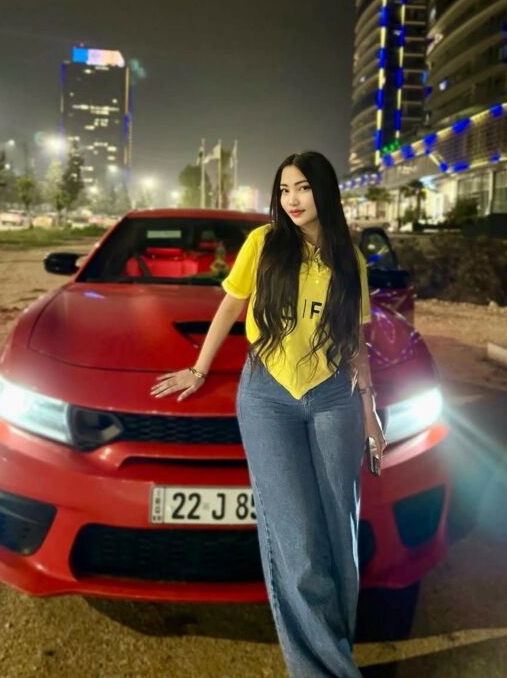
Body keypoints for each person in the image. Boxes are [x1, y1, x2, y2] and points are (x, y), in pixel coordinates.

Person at [151, 151, 387, 677]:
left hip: (335, 395)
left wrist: (370, 411)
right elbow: (230, 306)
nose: (292, 200)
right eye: (284, 190)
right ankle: (323, 671)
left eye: (302, 188)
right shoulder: (263, 244)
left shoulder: (349, 257)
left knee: (339, 535)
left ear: (324, 191)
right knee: (297, 542)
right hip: (268, 397)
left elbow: (355, 339)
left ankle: (337, 649)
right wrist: (199, 368)